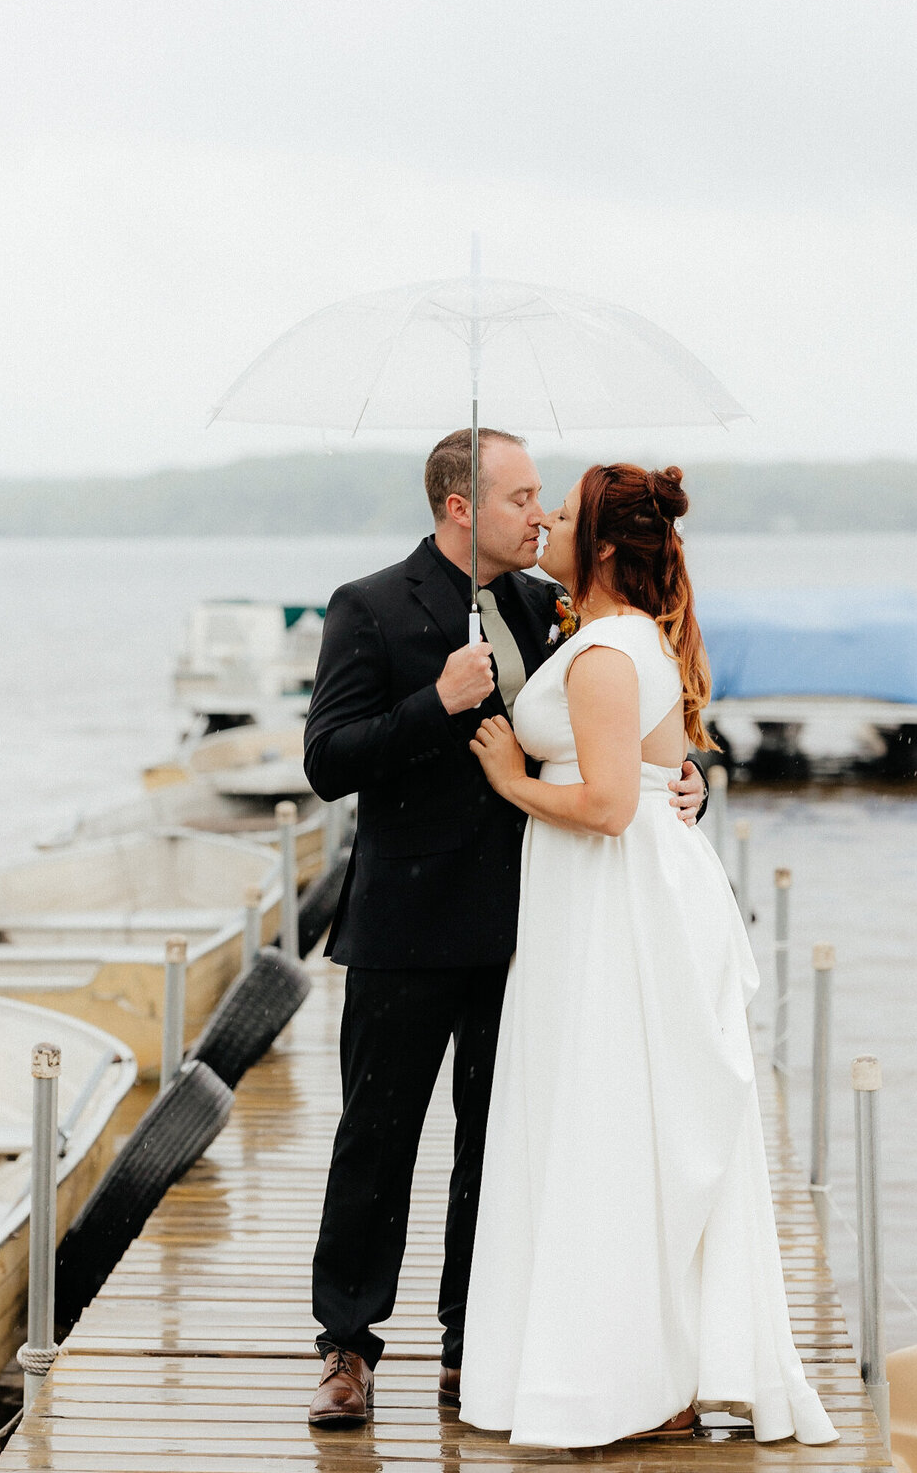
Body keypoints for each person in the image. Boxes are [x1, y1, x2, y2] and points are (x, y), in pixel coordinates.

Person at [301, 430, 708, 1428]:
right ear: (459, 506)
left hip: (526, 933)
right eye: (523, 497)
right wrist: (435, 704)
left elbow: (630, 720)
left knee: (498, 1146)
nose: (539, 514)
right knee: (376, 1144)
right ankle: (347, 1348)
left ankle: (469, 1345)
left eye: (543, 500)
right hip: (402, 929)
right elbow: (328, 758)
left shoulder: (547, 607)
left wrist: (689, 777)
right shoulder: (371, 606)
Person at [458, 464, 836, 1448]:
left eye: (566, 513)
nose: (545, 517)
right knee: (615, 1125)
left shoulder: (608, 654)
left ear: (609, 547)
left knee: (616, 1126)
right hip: (605, 901)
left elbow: (609, 804)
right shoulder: (604, 636)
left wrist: (510, 777)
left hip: (619, 902)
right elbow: (658, 771)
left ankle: (631, 1375)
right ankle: (648, 1367)